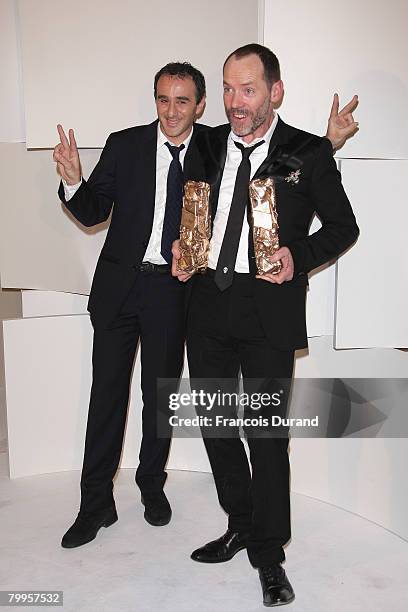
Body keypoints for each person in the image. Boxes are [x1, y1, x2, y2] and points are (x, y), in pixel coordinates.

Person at [53, 55, 357, 551]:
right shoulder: (169, 143)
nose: (171, 112)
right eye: (229, 90)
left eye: (248, 90)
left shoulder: (259, 147)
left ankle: (228, 527)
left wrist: (326, 148)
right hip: (164, 297)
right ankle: (126, 508)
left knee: (218, 419)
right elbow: (117, 204)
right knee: (163, 411)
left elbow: (308, 183)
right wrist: (76, 184)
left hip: (224, 300)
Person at [172, 44, 359, 607]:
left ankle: (268, 554)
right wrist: (178, 247)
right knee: (217, 427)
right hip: (206, 308)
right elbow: (181, 212)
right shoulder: (202, 143)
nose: (234, 102)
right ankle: (240, 523)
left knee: (267, 438)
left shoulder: (306, 151)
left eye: (247, 89)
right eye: (228, 89)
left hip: (267, 314)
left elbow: (343, 227)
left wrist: (296, 257)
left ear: (275, 92)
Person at [53, 62, 206, 547]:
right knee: (107, 398)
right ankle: (95, 503)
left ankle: (151, 486)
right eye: (163, 98)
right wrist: (76, 182)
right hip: (119, 290)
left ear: (200, 105)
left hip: (172, 291)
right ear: (155, 99)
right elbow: (95, 210)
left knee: (158, 399)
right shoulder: (125, 144)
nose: (171, 110)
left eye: (182, 101)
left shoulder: (214, 150)